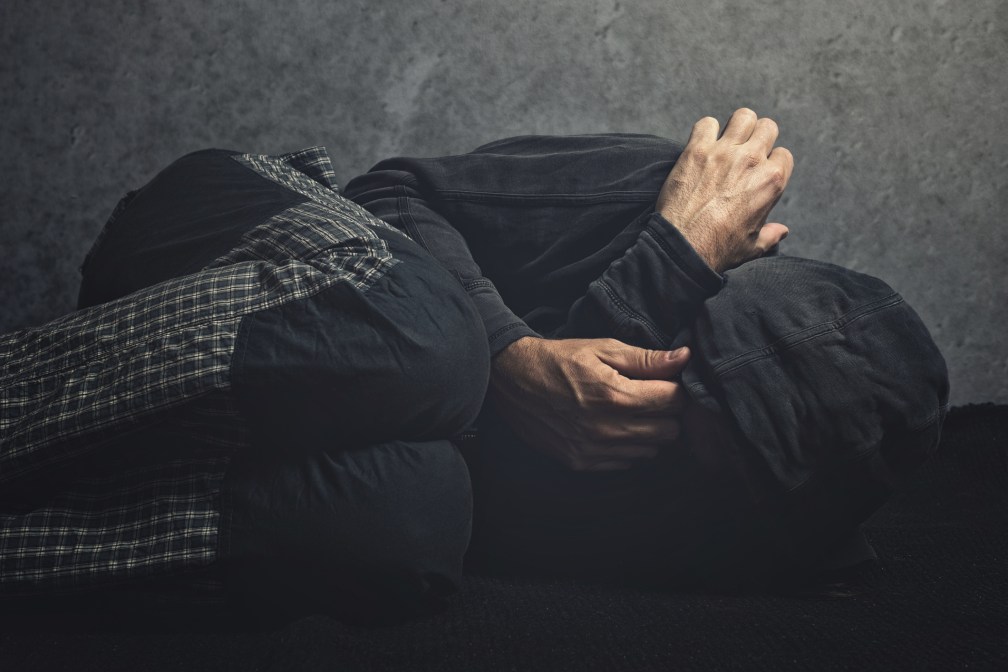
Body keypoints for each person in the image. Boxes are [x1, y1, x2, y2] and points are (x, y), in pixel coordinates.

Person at [0, 110, 948, 618]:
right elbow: (388, 191)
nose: (665, 426)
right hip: (246, 238)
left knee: (412, 526)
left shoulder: (759, 520)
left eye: (717, 451)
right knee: (438, 345)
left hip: (266, 398)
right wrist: (521, 348)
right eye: (687, 390)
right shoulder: (661, 199)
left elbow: (514, 483)